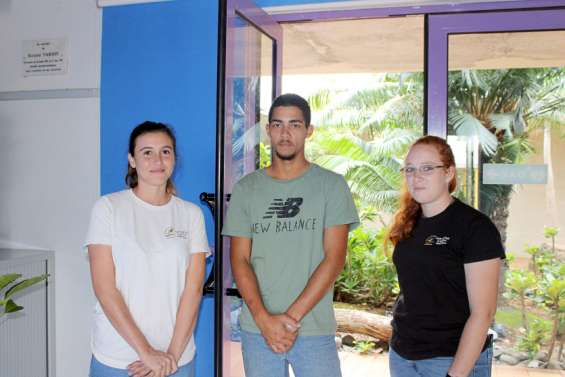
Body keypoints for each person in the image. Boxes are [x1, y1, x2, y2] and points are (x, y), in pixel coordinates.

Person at [222, 93, 359, 377]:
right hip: (258, 329)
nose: (285, 133)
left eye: (295, 125)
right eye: (278, 124)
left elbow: (334, 259)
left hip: (313, 329)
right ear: (268, 130)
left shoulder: (331, 186)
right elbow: (240, 260)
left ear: (309, 131)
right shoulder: (247, 189)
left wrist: (288, 320)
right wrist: (264, 320)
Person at [84, 121, 209, 377]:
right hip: (120, 359)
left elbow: (193, 291)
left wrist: (171, 356)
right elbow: (105, 289)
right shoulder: (108, 208)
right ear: (132, 159)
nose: (157, 160)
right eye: (147, 152)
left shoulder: (191, 214)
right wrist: (147, 352)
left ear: (174, 158)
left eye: (165, 151)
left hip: (177, 359)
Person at [386, 135, 505, 377]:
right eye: (410, 169)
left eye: (427, 168)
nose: (416, 177)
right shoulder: (409, 222)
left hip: (451, 358)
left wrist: (455, 374)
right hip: (403, 354)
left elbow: (483, 314)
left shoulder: (475, 228)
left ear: (449, 173)